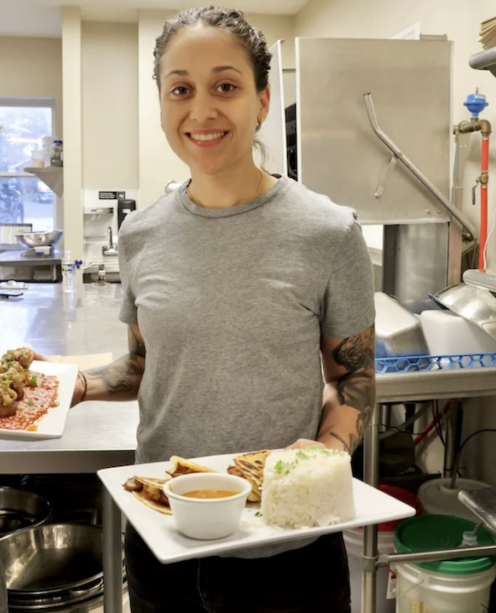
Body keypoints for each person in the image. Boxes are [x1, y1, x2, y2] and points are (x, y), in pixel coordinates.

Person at [65, 7, 376, 612]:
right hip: (165, 535)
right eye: (180, 89)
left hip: (288, 545)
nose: (201, 110)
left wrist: (330, 450)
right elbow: (142, 367)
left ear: (261, 102)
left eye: (226, 86)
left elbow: (355, 375)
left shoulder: (328, 233)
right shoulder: (140, 234)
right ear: (161, 105)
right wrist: (68, 385)